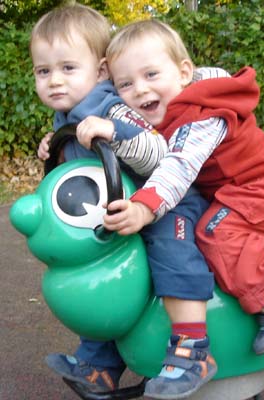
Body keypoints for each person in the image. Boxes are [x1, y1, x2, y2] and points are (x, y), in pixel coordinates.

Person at [77, 19, 264, 399]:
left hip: (262, 190)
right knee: (185, 232)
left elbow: (180, 165)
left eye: (151, 74)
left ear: (184, 72)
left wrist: (144, 208)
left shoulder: (204, 114)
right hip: (230, 194)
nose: (140, 89)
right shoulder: (169, 111)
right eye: (125, 84)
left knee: (213, 232)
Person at [31, 4, 215, 397]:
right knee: (102, 275)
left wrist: (113, 131)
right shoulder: (67, 116)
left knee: (171, 250)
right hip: (119, 212)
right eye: (43, 71)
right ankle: (100, 363)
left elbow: (158, 151)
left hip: (165, 202)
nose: (54, 81)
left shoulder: (109, 106)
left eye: (67, 68)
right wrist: (54, 147)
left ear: (100, 72)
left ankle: (192, 348)